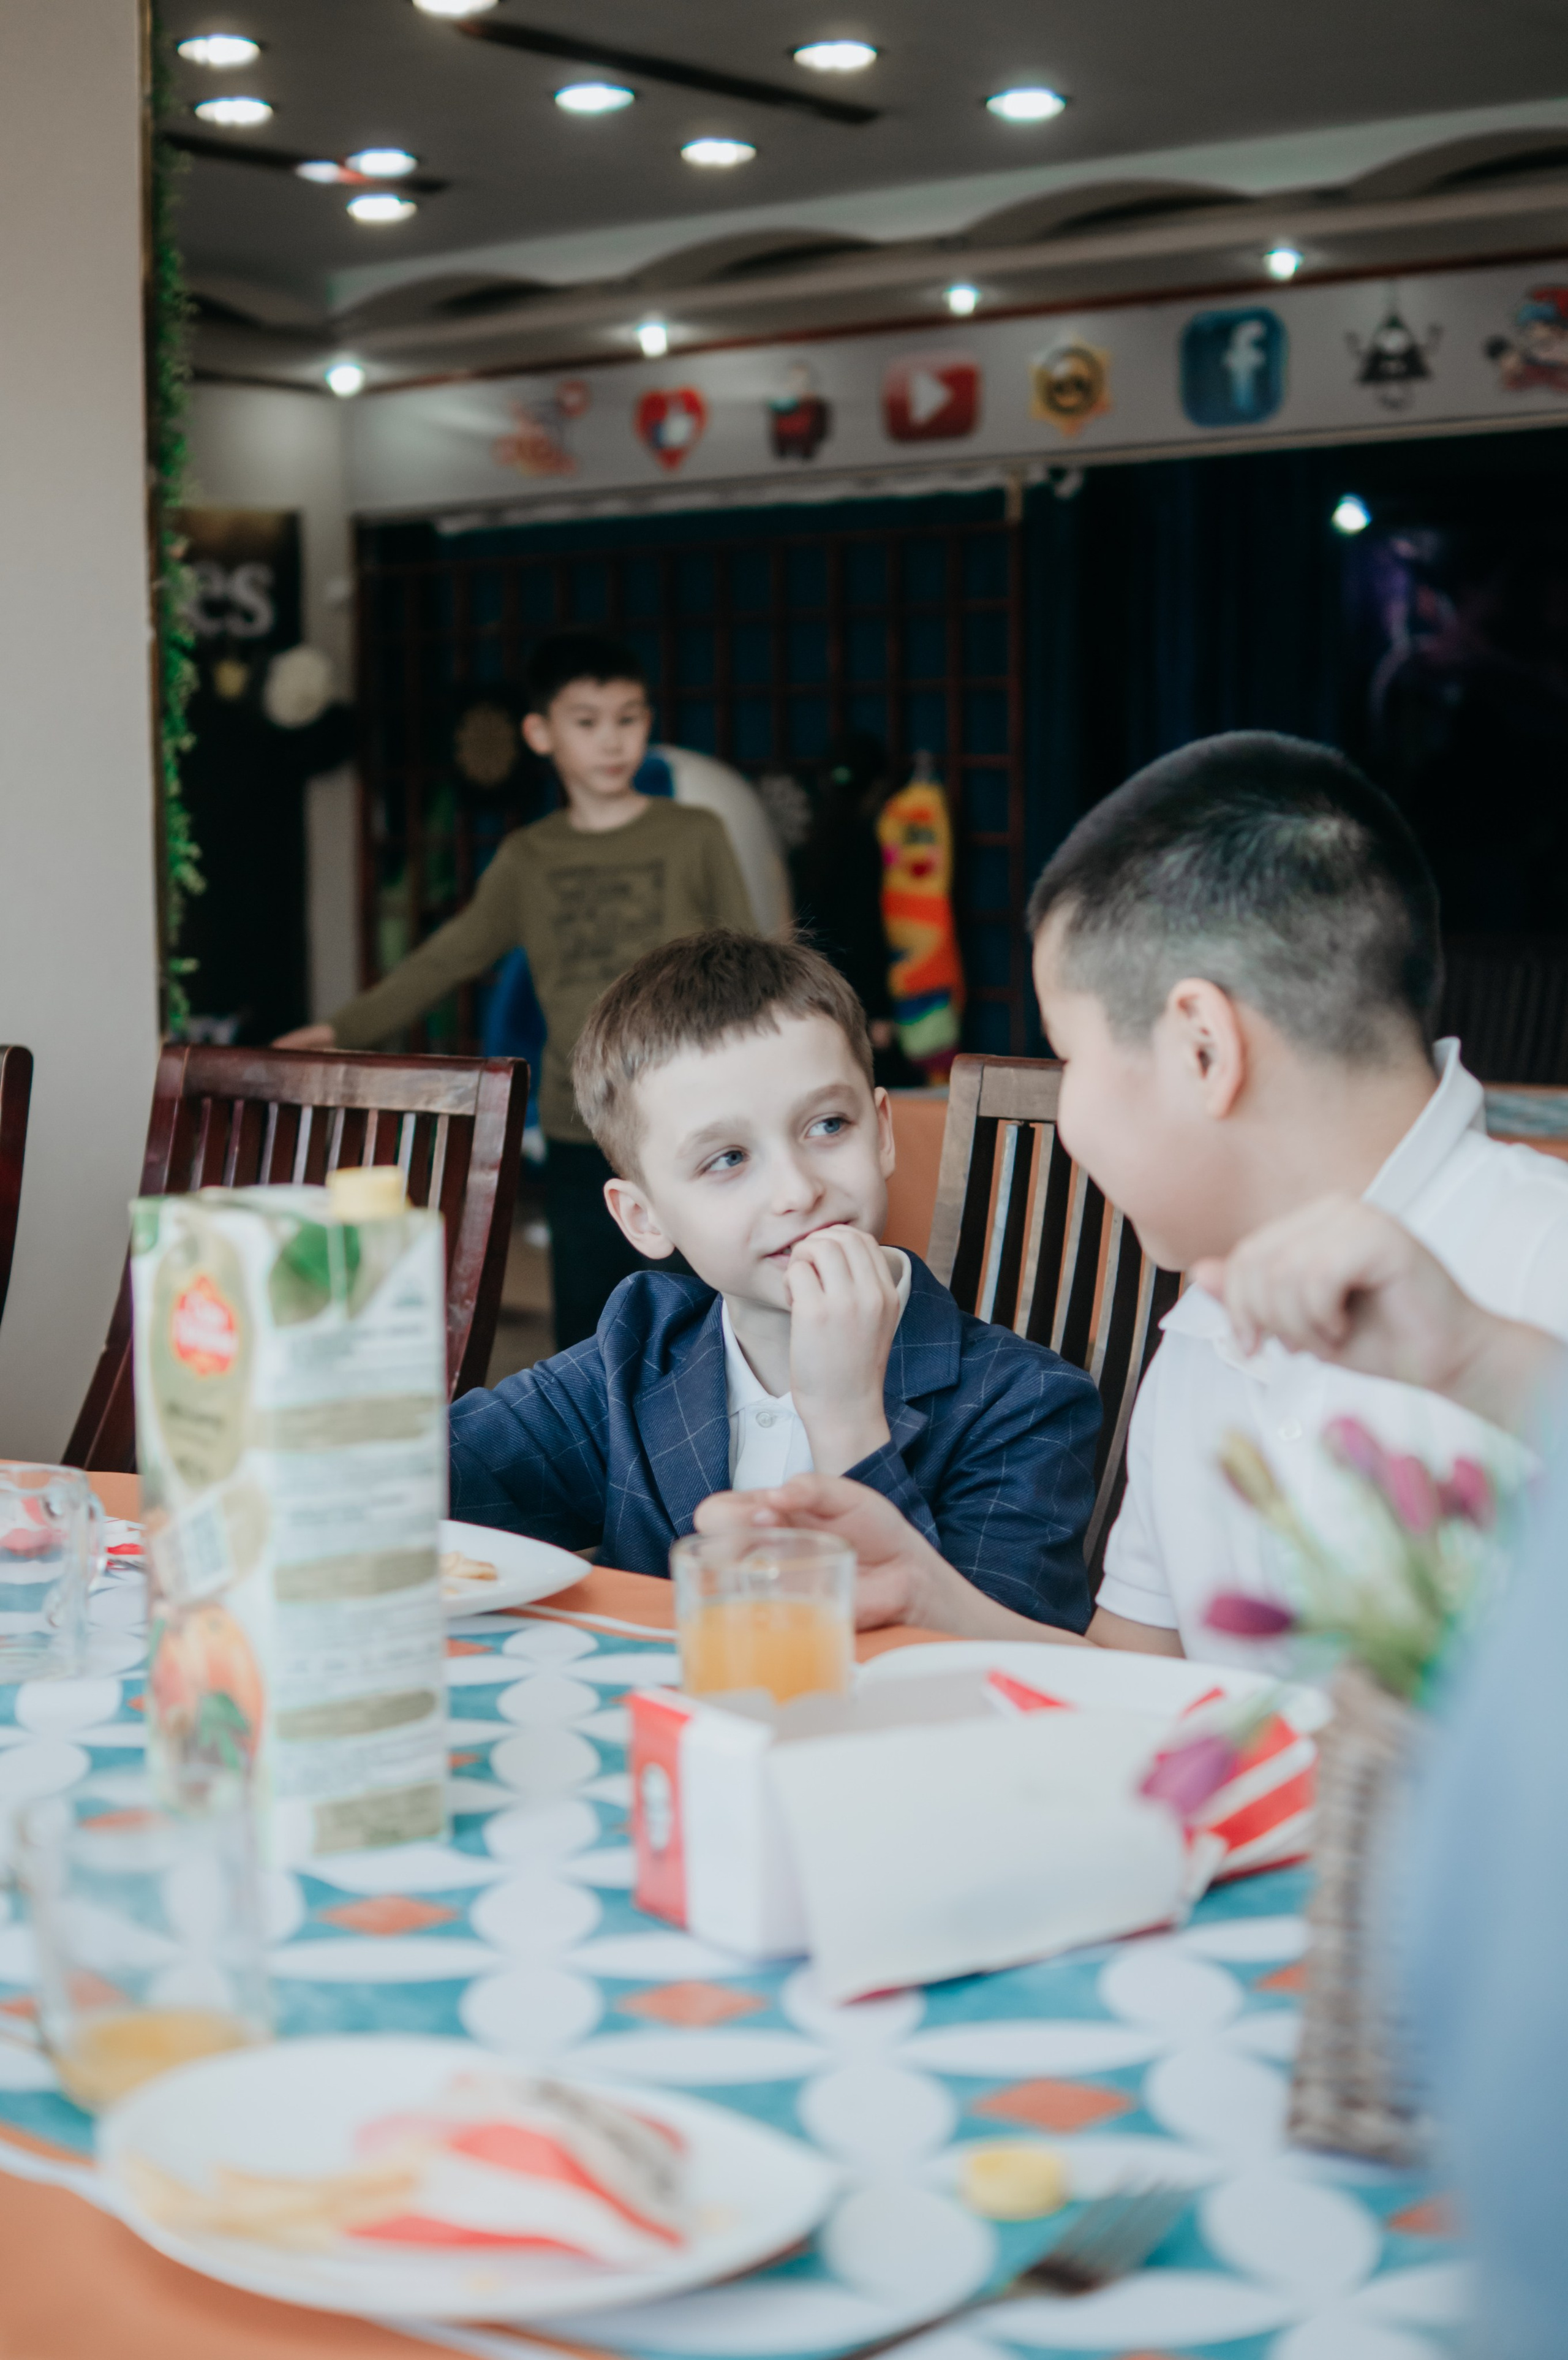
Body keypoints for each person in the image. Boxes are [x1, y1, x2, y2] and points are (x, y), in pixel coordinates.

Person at [696, 731, 1568, 1654]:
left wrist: (1484, 1368)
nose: (1067, 1110)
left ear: (1203, 1048)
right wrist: (932, 1600)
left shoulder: (1540, 1253)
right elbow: (1137, 1686)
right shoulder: (1202, 1328)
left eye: (1070, 1057)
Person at [447, 928, 1101, 1625]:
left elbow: (1001, 1679)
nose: (797, 1190)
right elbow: (413, 1486)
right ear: (643, 1218)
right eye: (727, 1158)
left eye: (826, 1126)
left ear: (880, 1132)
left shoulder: (1023, 1401)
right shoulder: (636, 1350)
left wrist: (846, 1415)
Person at [278, 632, 755, 1347]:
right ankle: (601, 1463)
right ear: (540, 734)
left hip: (697, 1120)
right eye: (586, 722)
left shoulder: (695, 833)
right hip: (580, 1125)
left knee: (711, 1321)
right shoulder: (530, 858)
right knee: (594, 1334)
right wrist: (345, 1026)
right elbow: (447, 957)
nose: (611, 740)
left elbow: (752, 965)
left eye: (628, 718)